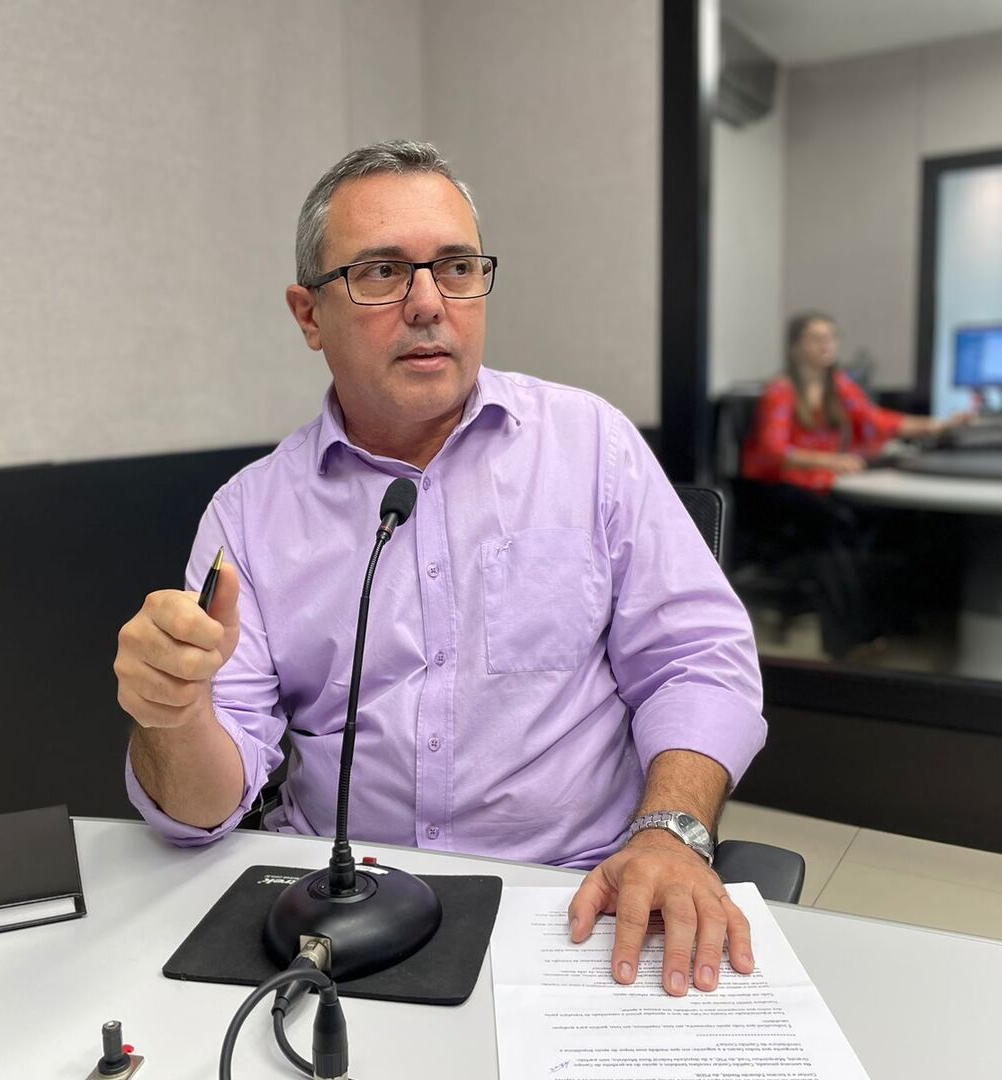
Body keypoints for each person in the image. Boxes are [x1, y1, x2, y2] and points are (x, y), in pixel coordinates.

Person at [114, 141, 765, 998]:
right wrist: (172, 714)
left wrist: (671, 832)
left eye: (455, 267)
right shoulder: (250, 513)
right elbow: (202, 808)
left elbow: (698, 659)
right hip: (336, 903)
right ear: (309, 316)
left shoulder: (591, 446)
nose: (429, 305)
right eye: (381, 272)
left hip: (574, 894)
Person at [740, 312, 968, 655]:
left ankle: (885, 621)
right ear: (796, 346)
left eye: (831, 337)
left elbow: (876, 420)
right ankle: (845, 637)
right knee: (836, 527)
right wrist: (829, 461)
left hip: (823, 483)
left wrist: (939, 427)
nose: (826, 345)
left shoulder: (839, 385)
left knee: (887, 522)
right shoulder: (781, 391)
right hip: (781, 486)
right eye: (817, 338)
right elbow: (774, 451)